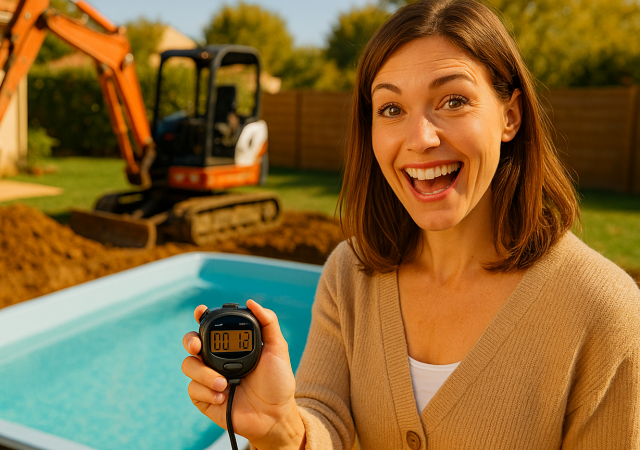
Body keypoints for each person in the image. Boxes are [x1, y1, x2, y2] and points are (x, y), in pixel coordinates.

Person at [181, 0, 640, 448]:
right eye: (392, 109)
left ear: (510, 115)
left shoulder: (605, 311)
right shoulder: (350, 275)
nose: (420, 139)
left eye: (454, 101)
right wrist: (281, 429)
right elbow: (325, 423)